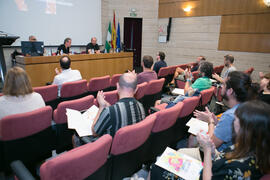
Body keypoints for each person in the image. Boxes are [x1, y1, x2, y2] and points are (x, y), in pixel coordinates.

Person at [150, 100, 269, 180]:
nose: (233, 122)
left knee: (157, 167)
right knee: (165, 159)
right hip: (211, 167)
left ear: (247, 128)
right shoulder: (254, 148)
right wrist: (212, 151)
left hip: (205, 174)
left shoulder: (239, 168)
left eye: (237, 120)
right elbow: (223, 157)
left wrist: (207, 150)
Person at [191, 71, 257, 152]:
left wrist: (210, 121)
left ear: (230, 91)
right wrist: (216, 122)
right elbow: (231, 131)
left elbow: (211, 145)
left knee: (191, 138)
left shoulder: (229, 115)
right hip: (238, 152)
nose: (221, 86)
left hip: (219, 156)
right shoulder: (247, 107)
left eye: (224, 84)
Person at [92, 71, 146, 137]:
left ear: (117, 86)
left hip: (113, 146)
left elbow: (94, 132)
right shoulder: (141, 106)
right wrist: (108, 106)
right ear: (136, 89)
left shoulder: (109, 112)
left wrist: (101, 107)